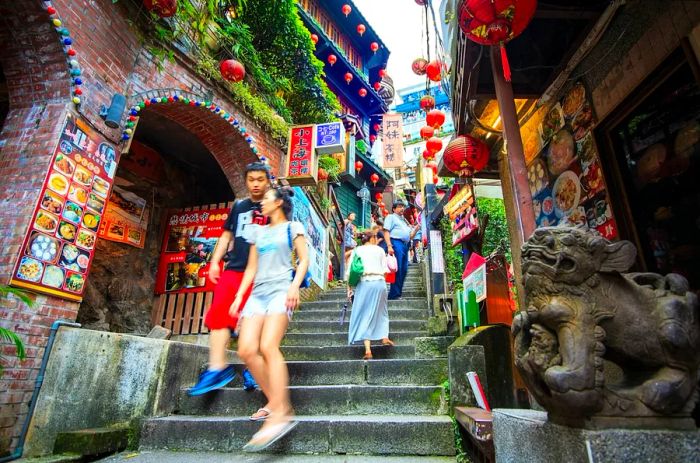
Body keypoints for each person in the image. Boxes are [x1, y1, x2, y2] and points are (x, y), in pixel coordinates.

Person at [232, 186, 309, 452]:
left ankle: (280, 411)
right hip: (257, 295)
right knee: (246, 350)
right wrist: (238, 298)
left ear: (277, 203)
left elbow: (304, 260)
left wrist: (294, 286)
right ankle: (278, 404)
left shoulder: (293, 227)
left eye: (265, 198)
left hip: (280, 290)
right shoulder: (258, 232)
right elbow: (251, 269)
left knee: (268, 346)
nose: (261, 202)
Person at [187, 162, 269, 397]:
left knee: (255, 319)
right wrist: (215, 261)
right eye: (251, 179)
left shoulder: (274, 205)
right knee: (219, 315)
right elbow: (226, 235)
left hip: (262, 272)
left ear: (267, 181)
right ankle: (217, 368)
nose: (255, 183)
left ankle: (253, 367)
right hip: (233, 269)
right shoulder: (239, 207)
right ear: (246, 181)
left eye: (260, 179)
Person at [347, 231, 394, 360]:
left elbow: (351, 271)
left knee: (365, 314)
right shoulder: (379, 250)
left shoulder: (357, 251)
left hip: (364, 283)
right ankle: (384, 336)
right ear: (372, 238)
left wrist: (349, 289)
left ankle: (368, 350)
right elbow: (385, 270)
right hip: (379, 283)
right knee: (382, 311)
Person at [383, 201, 420, 300]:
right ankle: (394, 294)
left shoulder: (404, 221)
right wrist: (389, 246)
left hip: (405, 245)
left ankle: (397, 293)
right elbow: (386, 231)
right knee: (397, 269)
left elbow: (410, 236)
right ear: (394, 209)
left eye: (403, 207)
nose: (402, 208)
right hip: (396, 243)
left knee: (404, 270)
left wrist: (416, 229)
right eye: (399, 207)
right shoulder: (391, 217)